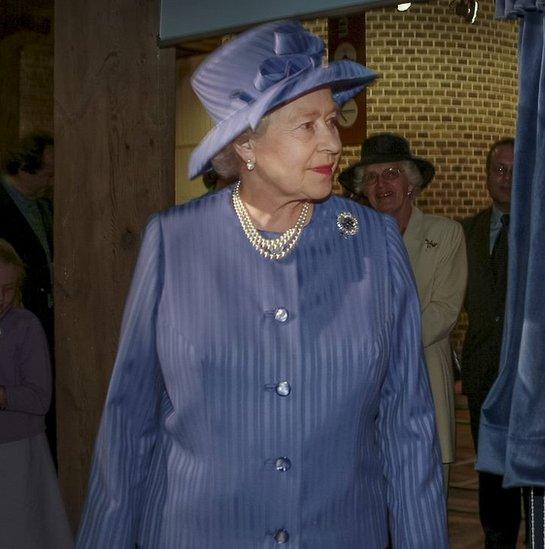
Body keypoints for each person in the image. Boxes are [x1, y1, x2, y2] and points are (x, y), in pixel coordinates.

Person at [75, 21, 447, 548]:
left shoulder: (373, 244)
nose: (333, 143)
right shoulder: (175, 242)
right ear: (246, 143)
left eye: (332, 122)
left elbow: (408, 428)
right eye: (307, 126)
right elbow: (128, 426)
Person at [339, 133, 468, 490]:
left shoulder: (446, 234)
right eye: (372, 177)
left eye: (391, 173)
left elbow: (443, 312)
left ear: (411, 182)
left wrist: (380, 345)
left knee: (422, 511)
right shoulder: (350, 238)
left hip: (423, 380)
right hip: (364, 392)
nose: (381, 184)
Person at [460, 138, 528, 548]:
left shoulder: (544, 233)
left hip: (530, 375)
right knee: (492, 478)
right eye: (499, 169)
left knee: (531, 476)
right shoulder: (463, 233)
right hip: (484, 374)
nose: (507, 178)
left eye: (516, 170)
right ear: (487, 176)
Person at [0, 239, 72, 548]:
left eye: (9, 289)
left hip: (17, 450)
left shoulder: (24, 326)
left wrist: (3, 396)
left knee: (22, 532)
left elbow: (40, 398)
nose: (2, 298)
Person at [0, 131, 57, 463]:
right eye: (47, 172)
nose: (52, 179)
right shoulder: (4, 203)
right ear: (23, 167)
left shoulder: (44, 207)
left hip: (36, 316)